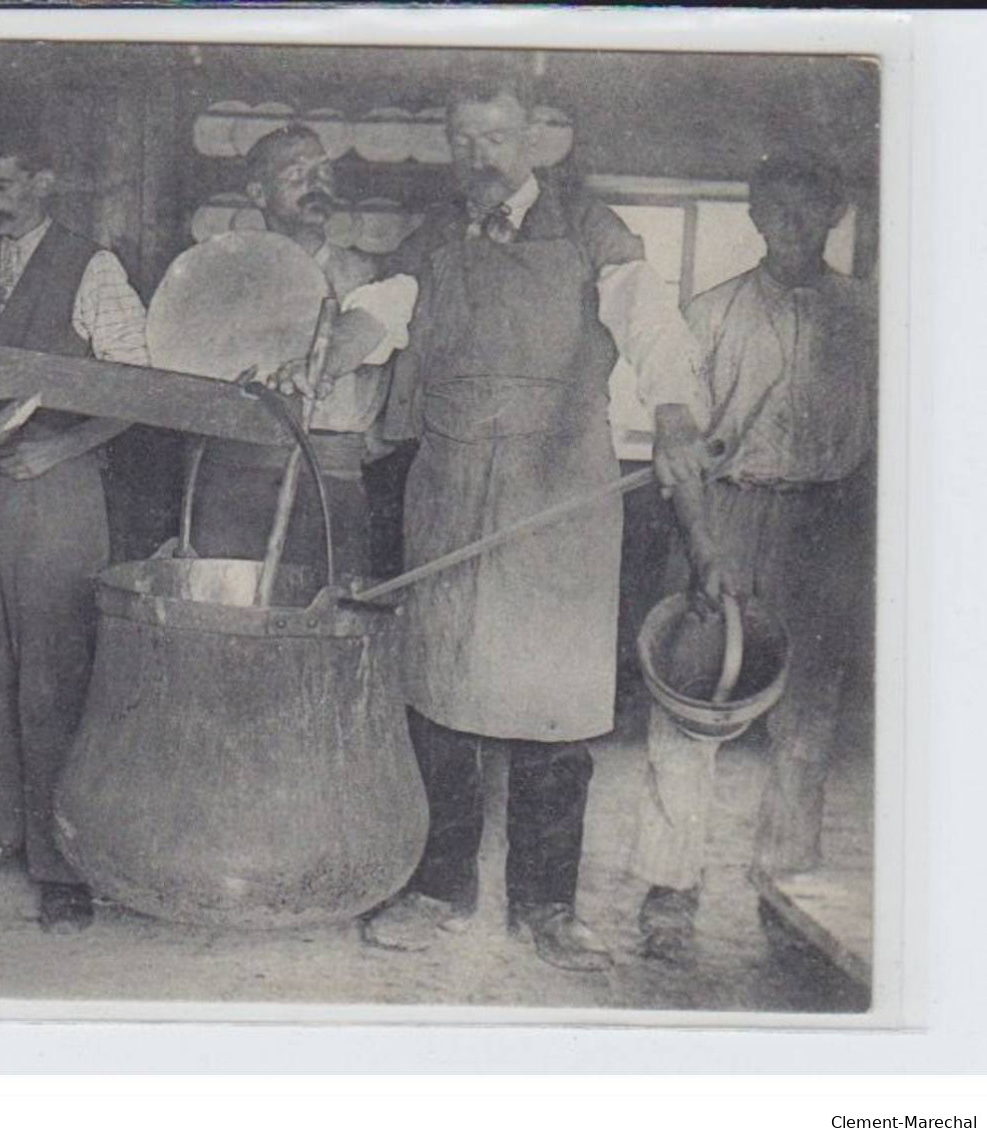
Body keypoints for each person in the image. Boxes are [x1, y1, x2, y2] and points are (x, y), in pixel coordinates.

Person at [363, 73, 714, 971]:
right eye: (462, 137)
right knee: (437, 700)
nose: (479, 156)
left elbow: (653, 328)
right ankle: (440, 884)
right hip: (447, 490)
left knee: (552, 711)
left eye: (495, 137)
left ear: (532, 141)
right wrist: (328, 338)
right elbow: (377, 315)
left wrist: (672, 411)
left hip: (556, 491)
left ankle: (547, 905)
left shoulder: (591, 231)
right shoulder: (433, 237)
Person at [629, 153, 876, 964]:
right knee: (691, 703)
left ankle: (786, 889)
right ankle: (669, 891)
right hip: (725, 512)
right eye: (773, 212)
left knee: (807, 716)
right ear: (754, 216)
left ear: (834, 214)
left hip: (826, 521)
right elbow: (680, 449)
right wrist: (704, 545)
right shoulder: (710, 314)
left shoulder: (869, 318)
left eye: (806, 212)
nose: (788, 228)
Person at [0, 125, 150, 932]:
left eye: (7, 185)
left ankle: (62, 864)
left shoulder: (93, 268)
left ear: (46, 180)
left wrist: (62, 443)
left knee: (52, 675)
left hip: (56, 485)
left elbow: (136, 388)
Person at [187, 125, 417, 581]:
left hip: (330, 481)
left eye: (323, 171)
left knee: (322, 613)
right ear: (258, 193)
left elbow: (397, 383)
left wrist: (367, 440)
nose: (317, 184)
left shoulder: (368, 276)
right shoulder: (220, 276)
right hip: (236, 479)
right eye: (296, 174)